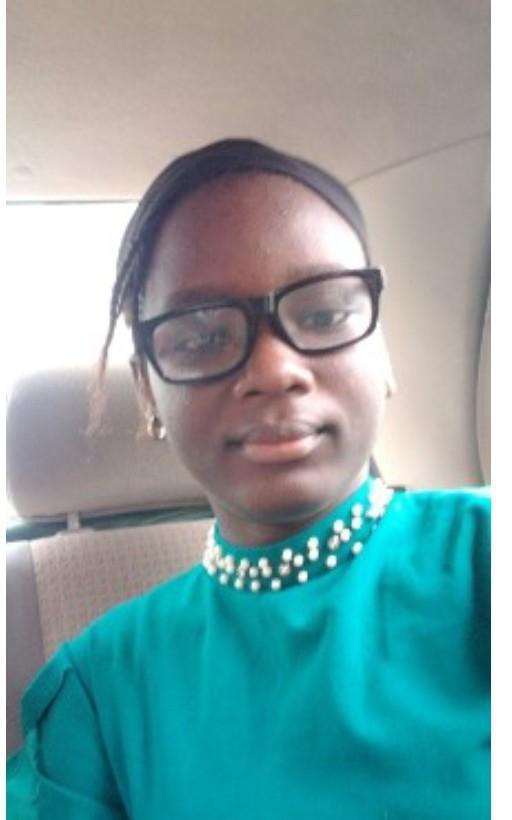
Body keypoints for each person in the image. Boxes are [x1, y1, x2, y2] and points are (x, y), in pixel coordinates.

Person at [7, 139, 490, 819]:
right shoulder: (99, 695)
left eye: (324, 314)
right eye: (203, 336)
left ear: (381, 349)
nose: (274, 370)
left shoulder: (486, 556)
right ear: (147, 392)